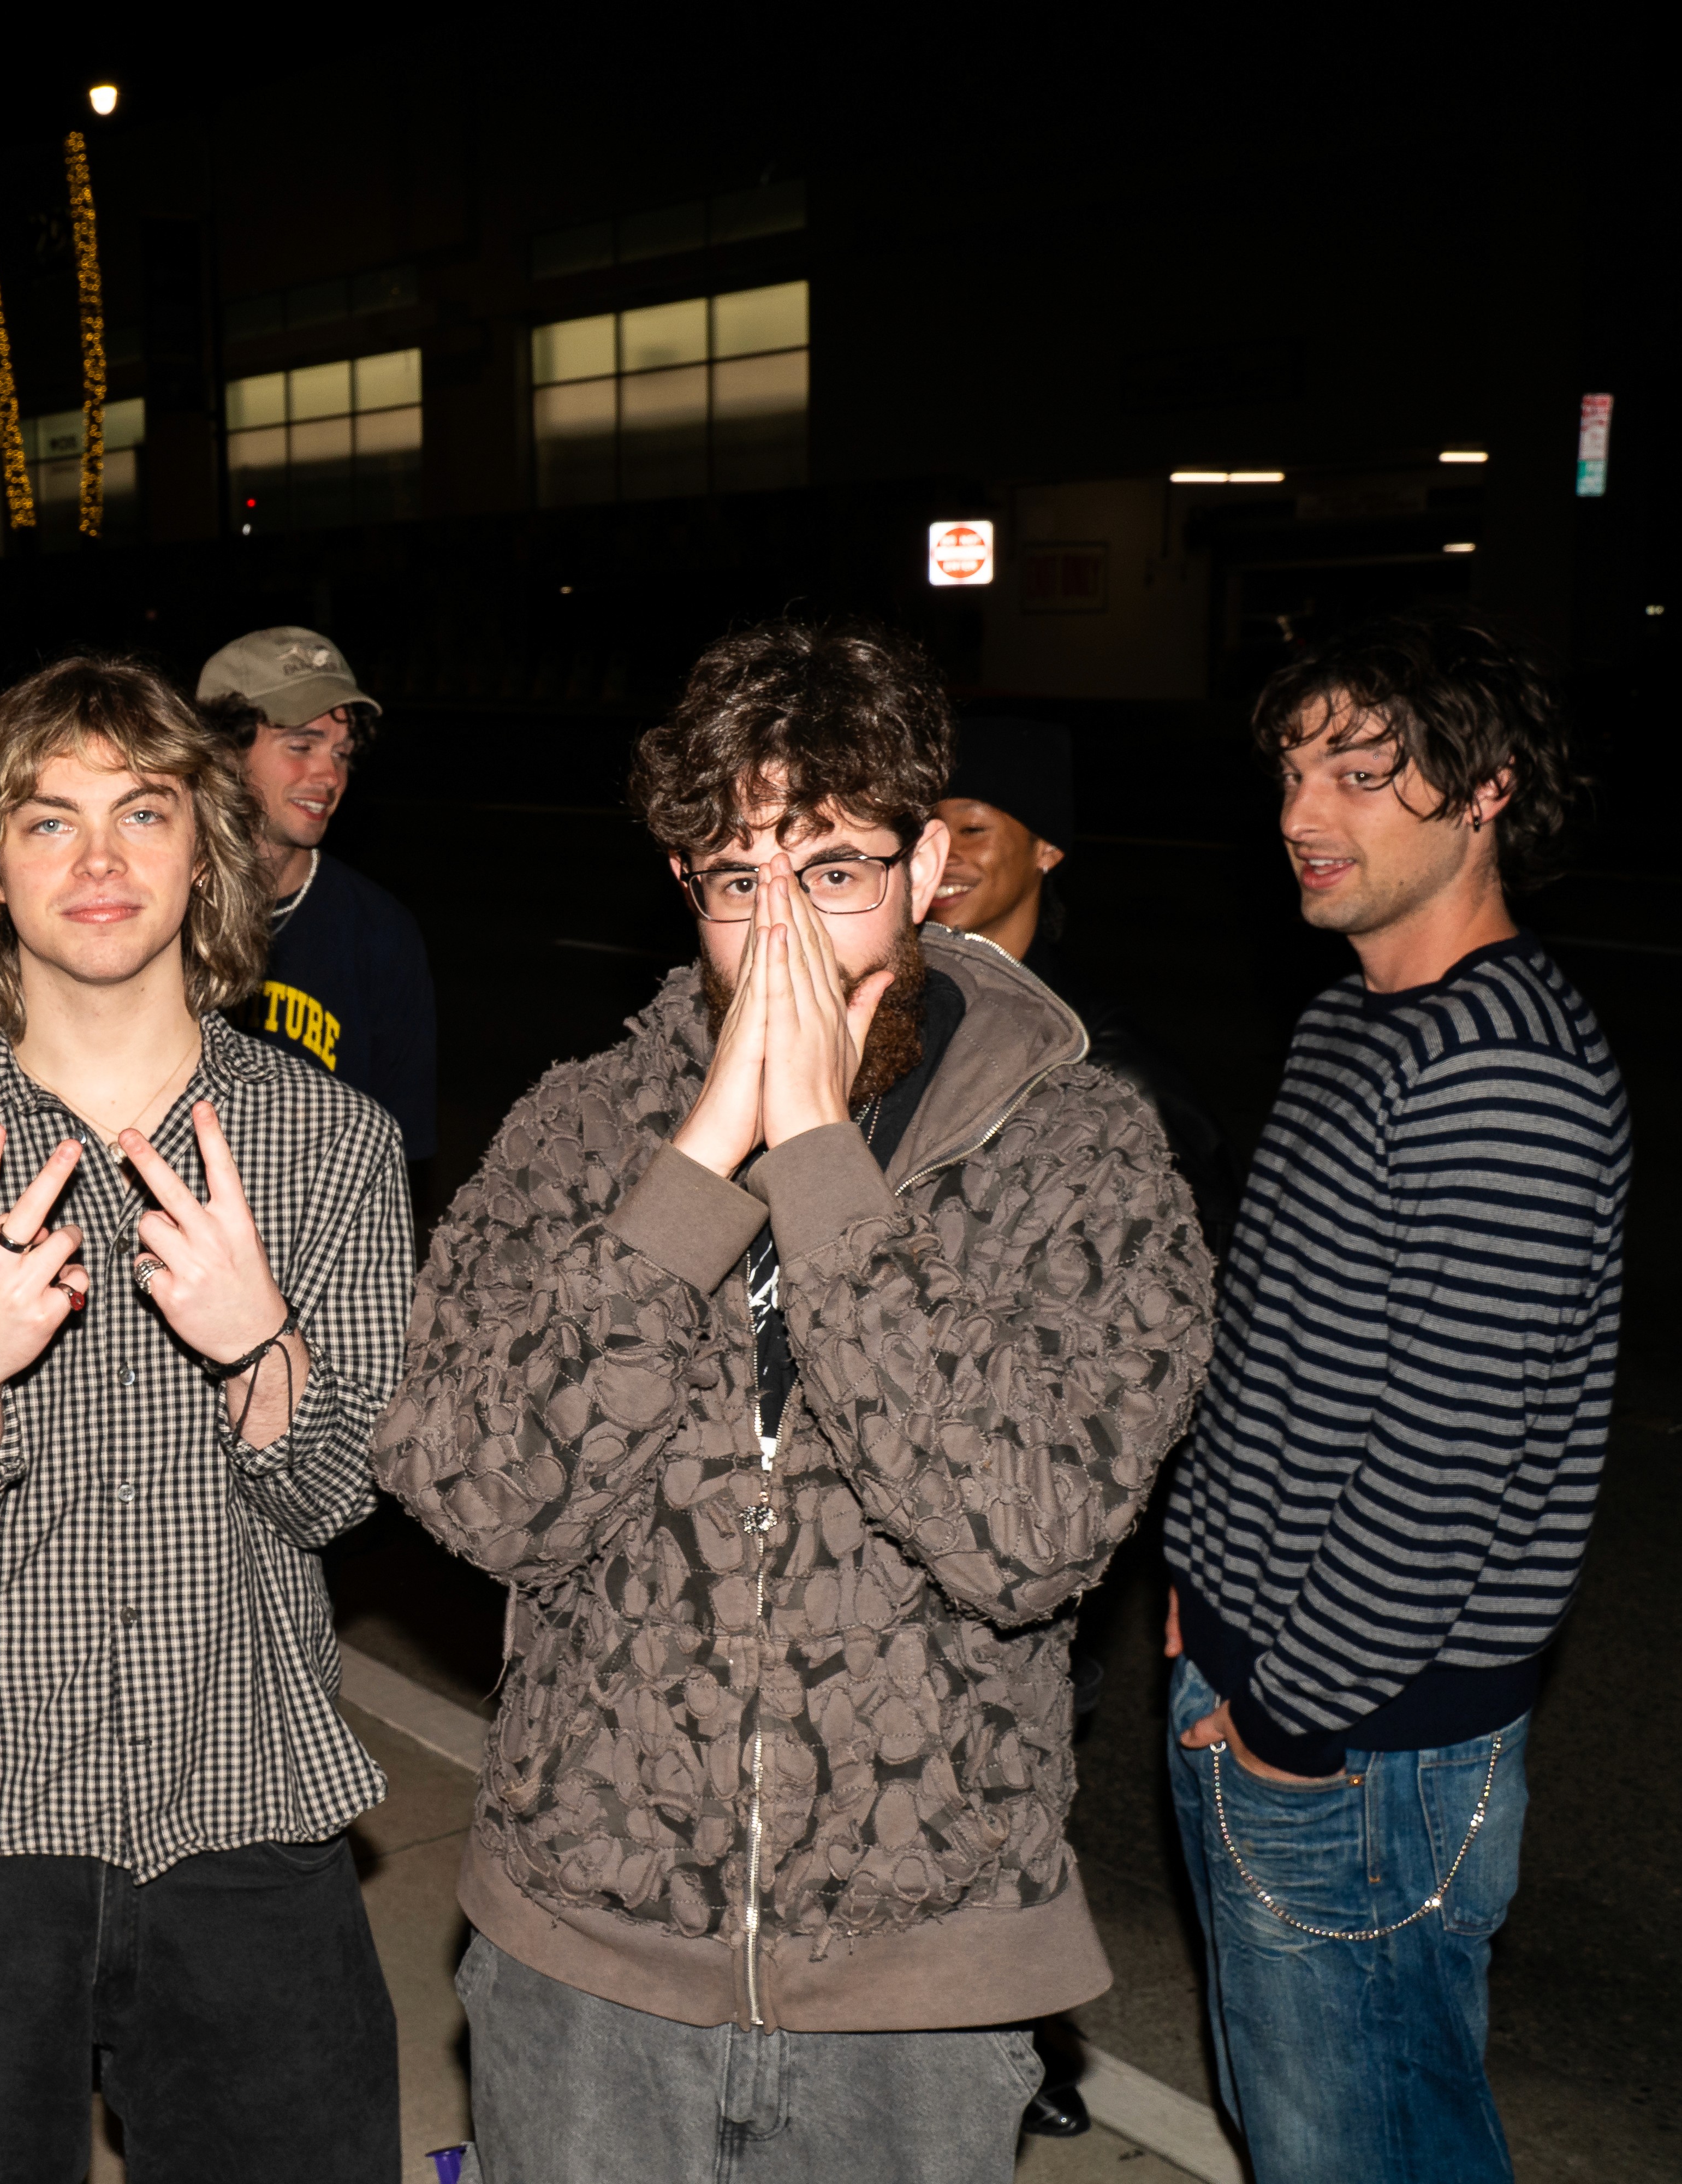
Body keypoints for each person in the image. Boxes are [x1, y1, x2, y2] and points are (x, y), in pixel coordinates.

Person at [374, 618, 1214, 2184]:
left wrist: (821, 1158)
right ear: (681, 888)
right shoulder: (580, 1129)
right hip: (587, 1958)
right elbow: (483, 1495)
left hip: (917, 1983)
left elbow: (1028, 1538)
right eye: (735, 880)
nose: (780, 939)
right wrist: (699, 1162)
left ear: (925, 868)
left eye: (830, 871)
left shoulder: (1083, 1152)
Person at [0, 655, 413, 2184]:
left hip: (248, 1788)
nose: (98, 859)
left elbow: (340, 1499)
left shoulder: (332, 1142)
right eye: (48, 821)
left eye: (143, 814)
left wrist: (257, 1344)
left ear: (205, 854)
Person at [1158, 618, 1625, 2184]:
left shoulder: (1501, 1070)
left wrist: (1293, 1717)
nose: (1305, 814)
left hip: (1361, 1744)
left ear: (1489, 791)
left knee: (1368, 2156)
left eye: (1363, 775)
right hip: (1271, 1674)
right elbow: (1274, 1353)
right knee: (1310, 2139)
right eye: (1295, 772)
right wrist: (1203, 1583)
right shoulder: (1351, 1019)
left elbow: (1441, 1469)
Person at [931, 715, 1227, 1238]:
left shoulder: (1102, 1061)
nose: (941, 856)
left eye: (972, 830)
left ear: (1046, 848)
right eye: (924, 832)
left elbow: (1202, 1237)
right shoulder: (892, 1017)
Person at [194, 626, 438, 1176]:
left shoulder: (382, 934)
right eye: (301, 746)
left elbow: (401, 1156)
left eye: (342, 753)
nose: (330, 776)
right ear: (223, 752)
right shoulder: (153, 913)